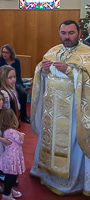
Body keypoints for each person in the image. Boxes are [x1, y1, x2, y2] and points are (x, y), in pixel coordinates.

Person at [31, 20, 90, 195]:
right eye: (63, 33)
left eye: (71, 33)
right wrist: (42, 70)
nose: (66, 37)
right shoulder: (52, 51)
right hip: (52, 109)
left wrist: (71, 71)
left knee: (73, 143)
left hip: (73, 111)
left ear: (79, 33)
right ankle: (47, 174)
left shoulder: (87, 54)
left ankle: (74, 180)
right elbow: (41, 75)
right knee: (50, 140)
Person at [0, 44, 30, 123]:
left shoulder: (16, 61)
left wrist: (17, 84)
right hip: (4, 83)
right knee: (8, 96)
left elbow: (18, 75)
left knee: (23, 94)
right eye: (3, 52)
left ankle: (23, 115)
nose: (4, 54)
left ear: (11, 53)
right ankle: (12, 117)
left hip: (15, 82)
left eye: (6, 52)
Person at [0, 108, 25, 200]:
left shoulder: (7, 130)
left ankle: (9, 190)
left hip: (10, 157)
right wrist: (22, 136)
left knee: (12, 174)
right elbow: (20, 140)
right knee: (11, 176)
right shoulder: (11, 131)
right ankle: (6, 195)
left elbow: (17, 134)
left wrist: (20, 134)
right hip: (12, 158)